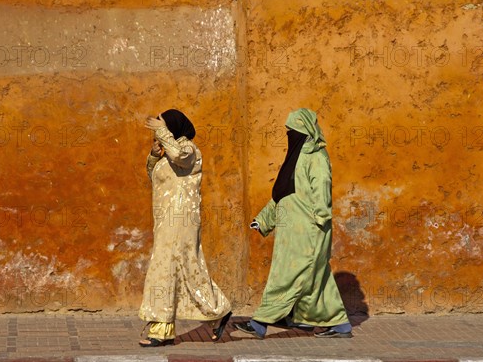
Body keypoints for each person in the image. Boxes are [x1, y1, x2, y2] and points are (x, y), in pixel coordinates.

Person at [234, 108, 352, 339]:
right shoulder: (296, 157)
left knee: (287, 275)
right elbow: (284, 194)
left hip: (309, 231)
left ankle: (260, 322)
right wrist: (263, 219)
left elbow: (321, 190)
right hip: (292, 232)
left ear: (304, 131)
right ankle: (335, 324)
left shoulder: (317, 157)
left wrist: (320, 219)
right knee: (316, 277)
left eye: (292, 131)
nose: (289, 135)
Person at [138, 109, 232, 347]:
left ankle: (161, 328)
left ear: (173, 127)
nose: (160, 130)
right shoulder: (166, 153)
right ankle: (218, 311)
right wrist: (152, 156)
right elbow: (155, 177)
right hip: (166, 220)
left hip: (181, 219)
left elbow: (180, 156)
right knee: (188, 268)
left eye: (164, 125)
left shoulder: (188, 149)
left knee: (165, 268)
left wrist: (162, 133)